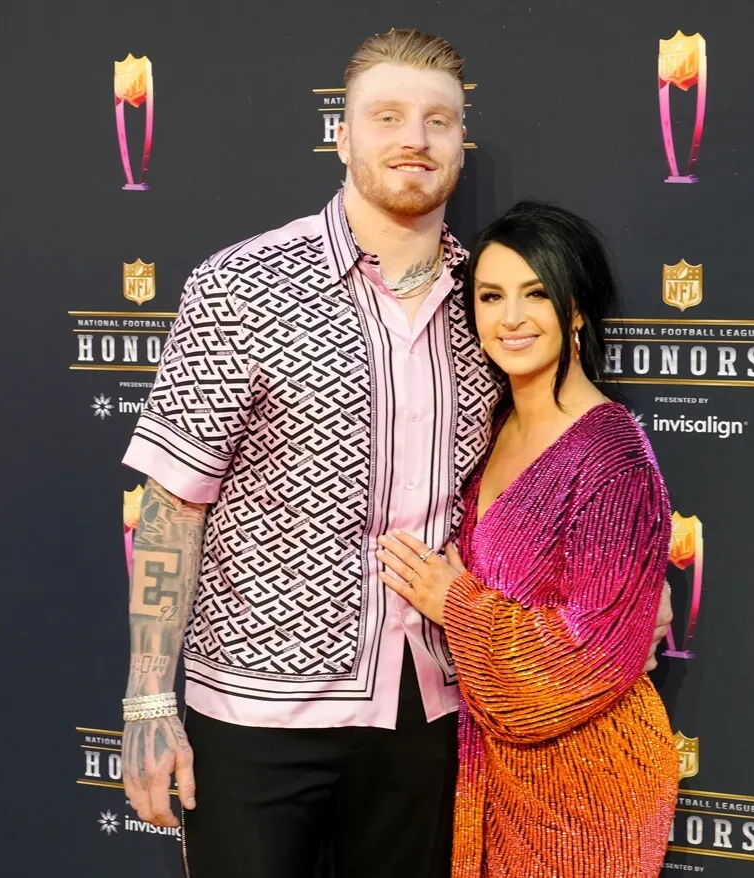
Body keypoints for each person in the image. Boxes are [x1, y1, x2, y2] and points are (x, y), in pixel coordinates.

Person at [118, 29, 672, 878]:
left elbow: (554, 470)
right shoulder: (239, 284)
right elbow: (172, 500)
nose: (413, 138)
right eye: (387, 117)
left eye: (437, 120)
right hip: (258, 716)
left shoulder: (490, 301)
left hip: (433, 717)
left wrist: (628, 600)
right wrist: (150, 699)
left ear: (460, 143)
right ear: (340, 136)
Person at [377, 202, 678, 878]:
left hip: (587, 786)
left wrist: (454, 600)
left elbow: (586, 656)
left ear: (576, 309)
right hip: (494, 774)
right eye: (491, 296)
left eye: (536, 293)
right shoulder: (493, 426)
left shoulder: (612, 455)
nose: (510, 317)